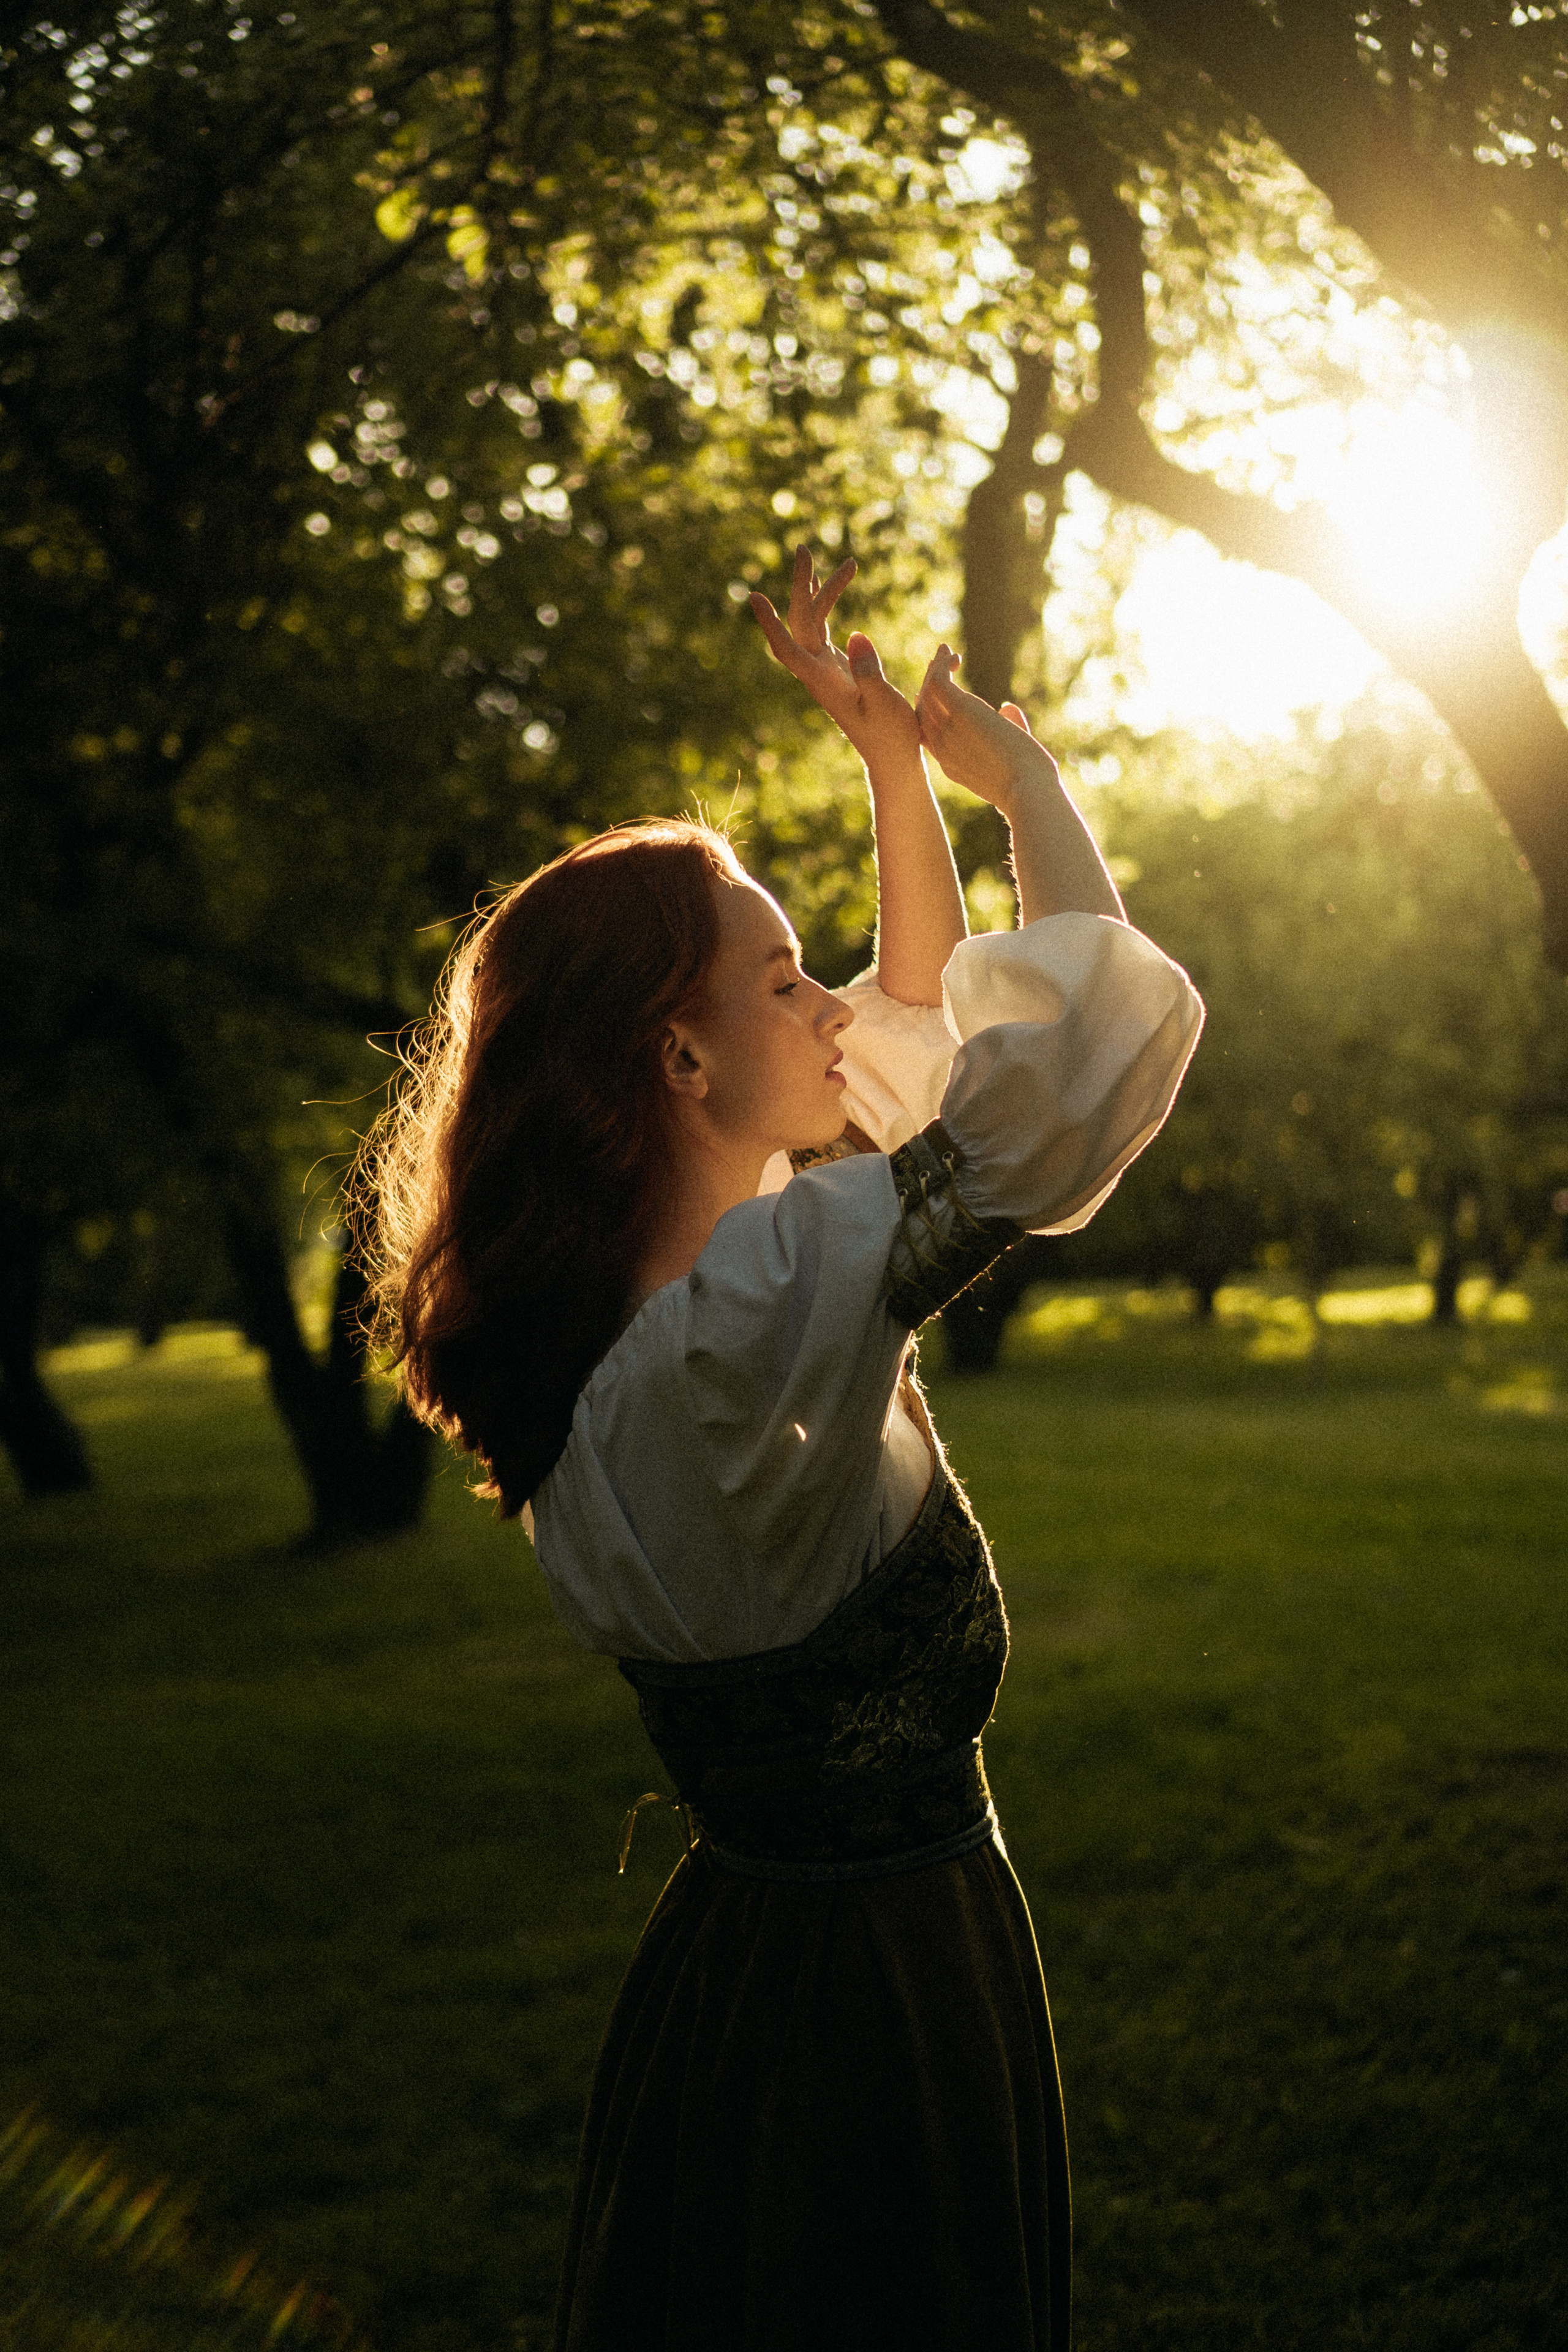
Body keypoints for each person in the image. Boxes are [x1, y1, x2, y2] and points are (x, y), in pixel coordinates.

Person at [361, 547, 1204, 2351]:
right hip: (865, 2016)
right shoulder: (743, 1331)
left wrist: (895, 771)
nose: (831, 1004)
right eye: (782, 978)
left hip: (757, 1980)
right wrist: (1026, 784)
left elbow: (912, 1041)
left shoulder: (663, 1337)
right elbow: (1051, 1084)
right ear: (678, 1060)